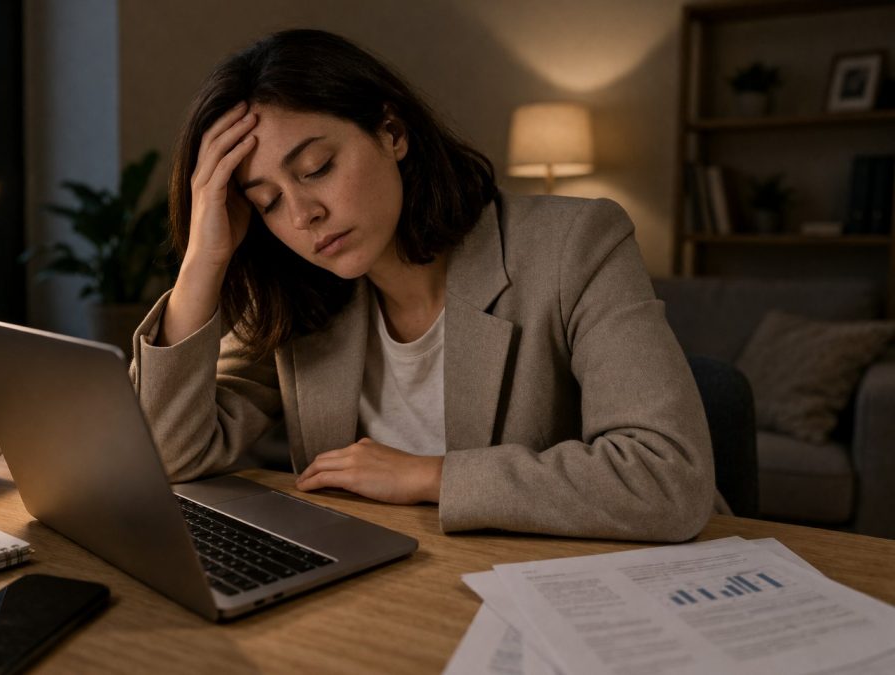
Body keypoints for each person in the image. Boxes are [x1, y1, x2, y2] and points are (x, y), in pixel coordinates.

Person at [130, 29, 718, 542]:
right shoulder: (296, 293)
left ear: (392, 132)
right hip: (400, 585)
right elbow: (167, 457)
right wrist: (202, 260)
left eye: (317, 169)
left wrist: (427, 475)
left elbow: (669, 477)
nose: (304, 215)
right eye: (268, 201)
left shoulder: (576, 244)